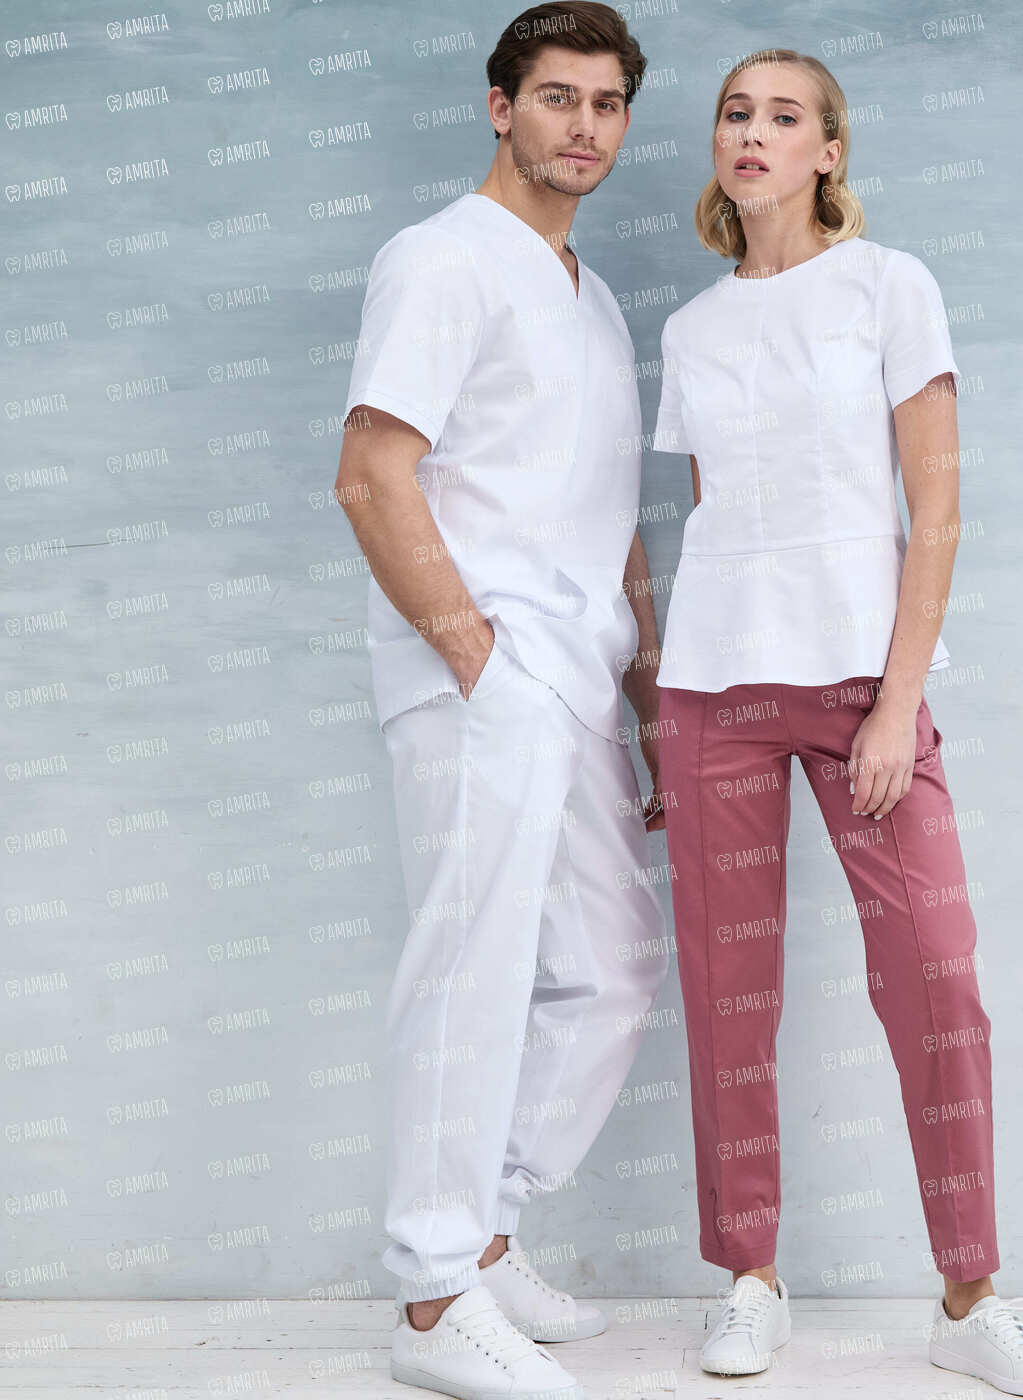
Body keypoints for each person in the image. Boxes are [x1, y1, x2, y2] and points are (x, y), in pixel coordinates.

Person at [648, 48, 1023, 1397]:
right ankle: (749, 1279)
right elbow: (720, 512)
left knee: (938, 978)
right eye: (736, 114)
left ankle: (970, 1295)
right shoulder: (692, 330)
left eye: (786, 117)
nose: (754, 134)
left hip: (860, 692)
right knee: (728, 994)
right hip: (713, 690)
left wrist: (897, 703)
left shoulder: (892, 287)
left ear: (829, 150)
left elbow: (934, 508)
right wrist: (654, 693)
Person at [334, 7, 668, 1398]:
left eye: (606, 103)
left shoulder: (595, 299)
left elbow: (609, 514)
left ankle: (484, 1230)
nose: (583, 125)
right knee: (469, 964)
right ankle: (430, 1301)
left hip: (580, 676)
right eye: (556, 97)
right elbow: (371, 472)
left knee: (614, 968)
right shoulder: (441, 259)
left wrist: (647, 695)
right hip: (483, 674)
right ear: (499, 108)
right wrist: (474, 654)